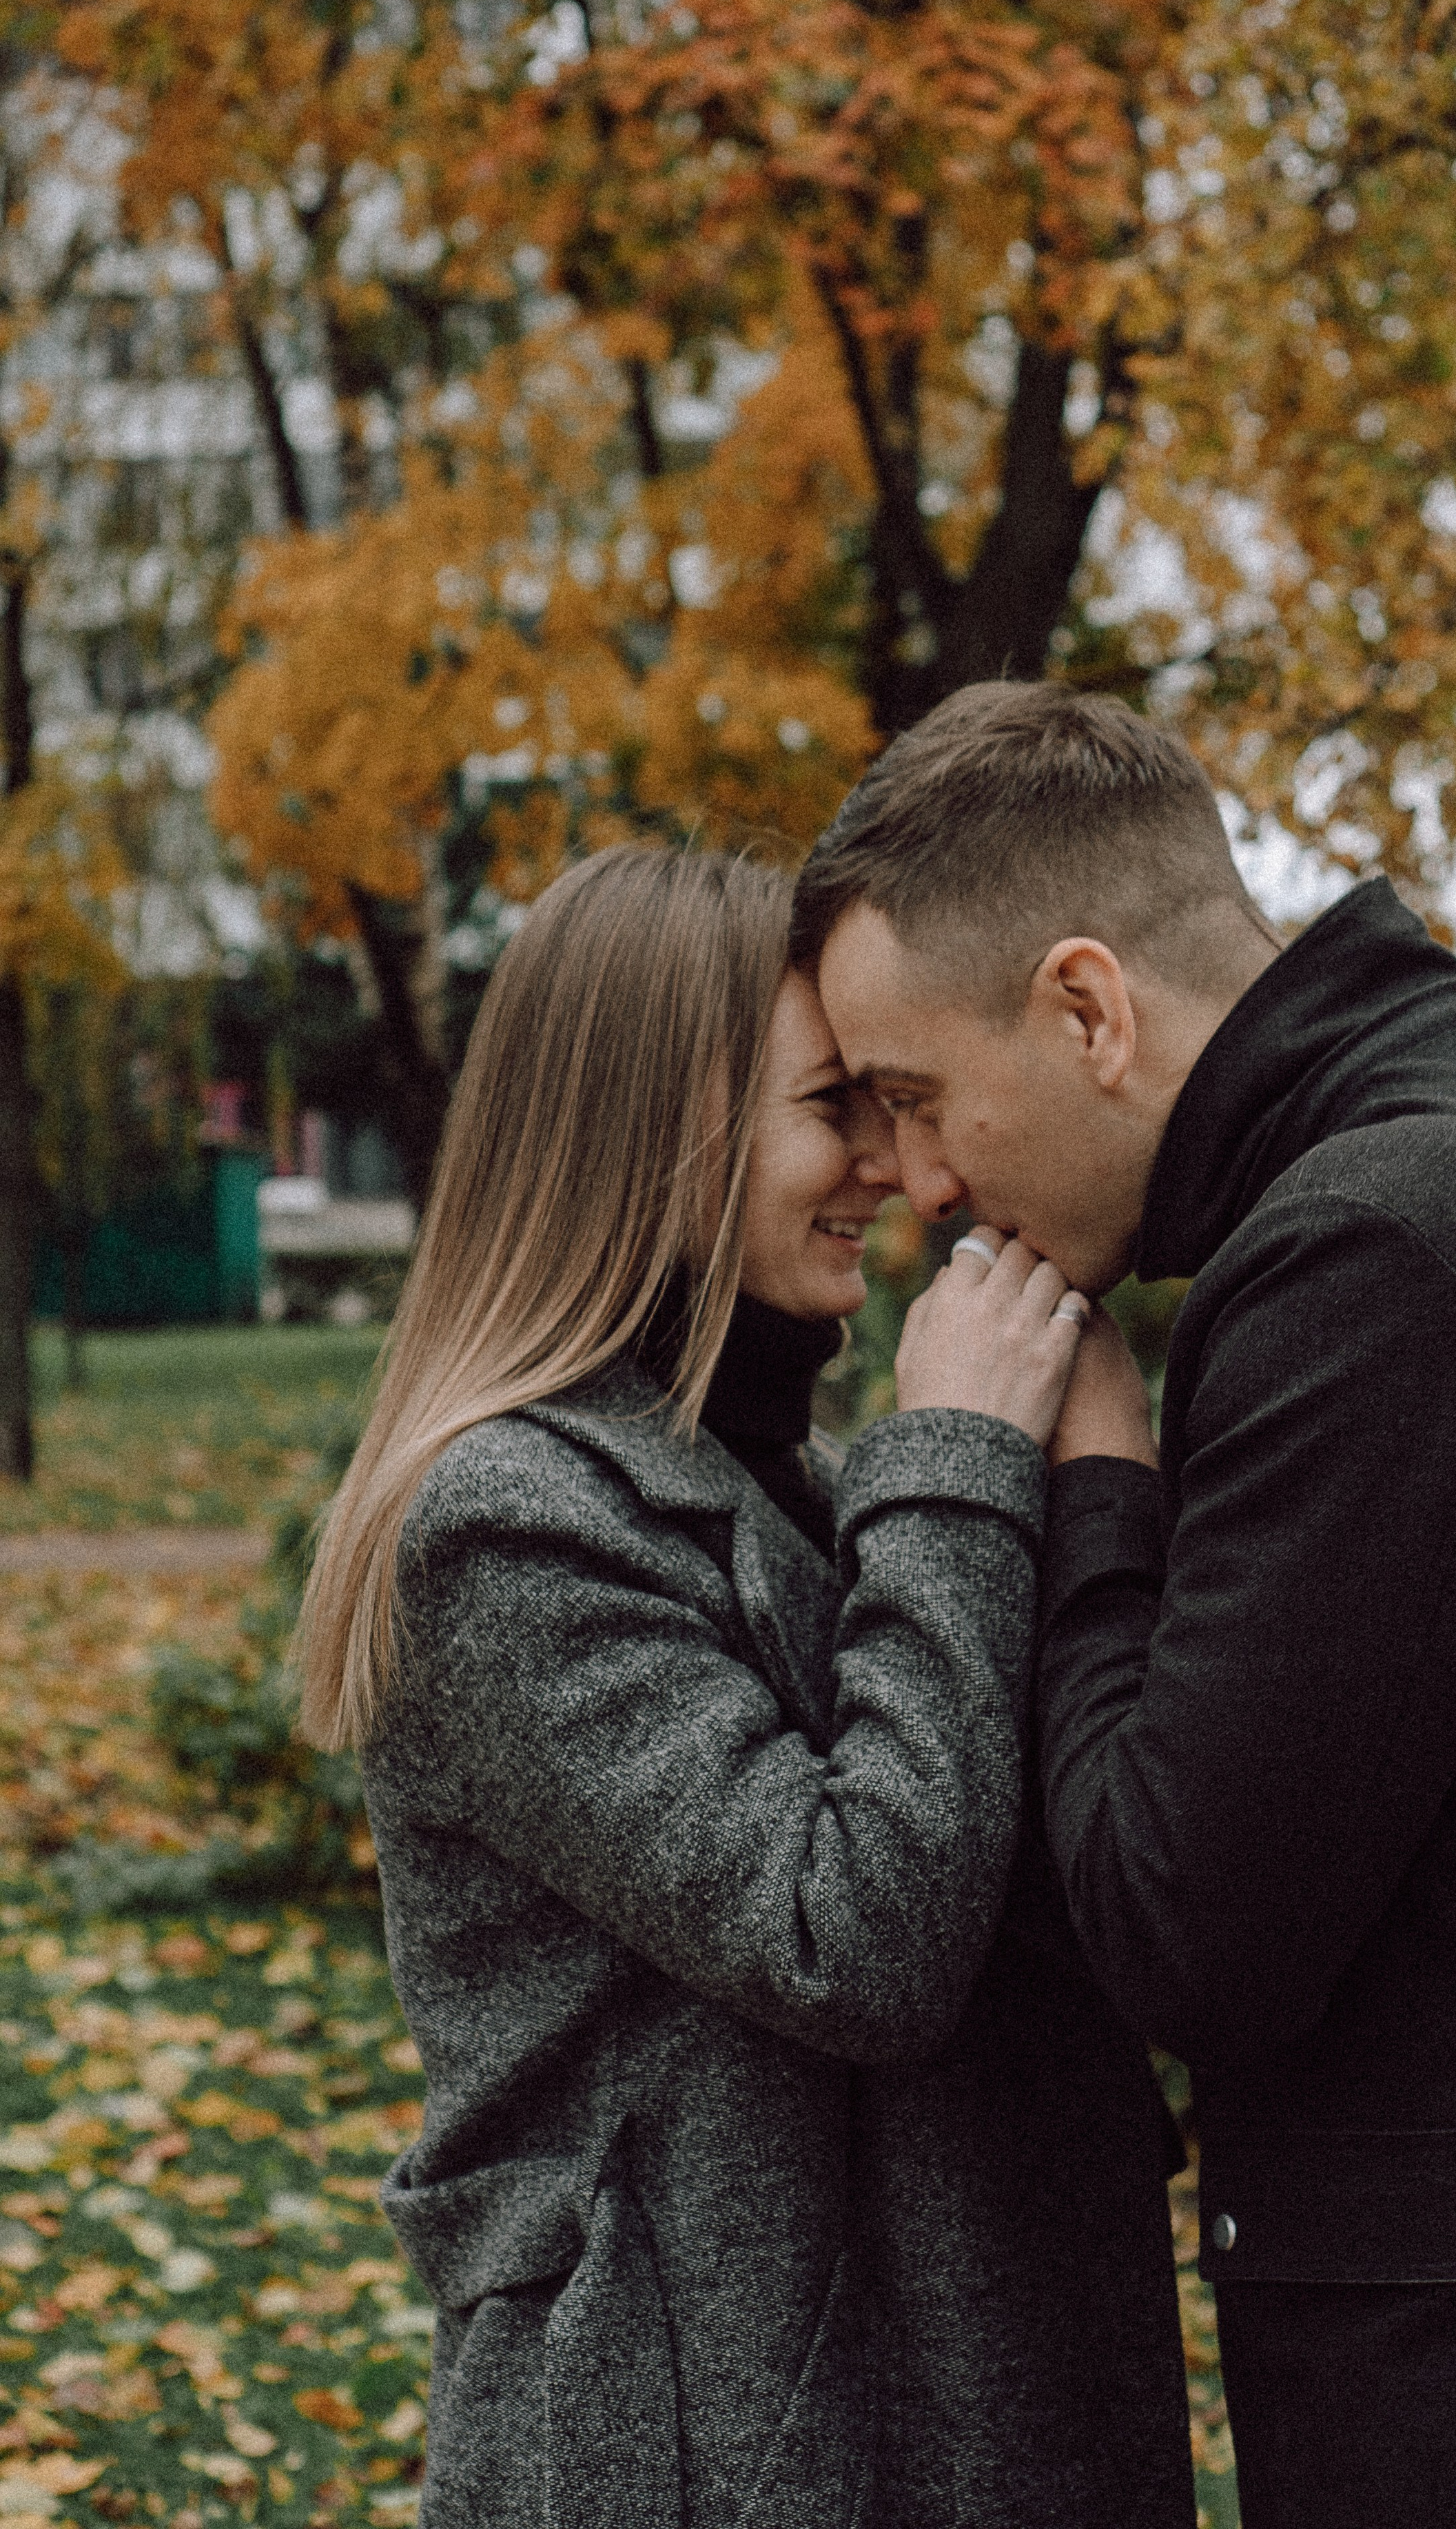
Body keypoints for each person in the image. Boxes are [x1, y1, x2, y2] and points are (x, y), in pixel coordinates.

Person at [794, 678, 1456, 2529]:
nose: (915, 1181)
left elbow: (1184, 1930)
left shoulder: (1379, 1248)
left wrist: (1087, 1488)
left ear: (1086, 1007)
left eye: (917, 1100)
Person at [298, 845, 1191, 2529]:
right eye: (829, 1108)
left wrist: (1096, 1502)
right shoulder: (508, 1527)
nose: (890, 1165)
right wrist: (955, 1463)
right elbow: (850, 1937)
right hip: (713, 2442)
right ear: (660, 1139)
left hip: (970, 2399)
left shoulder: (821, 1488)